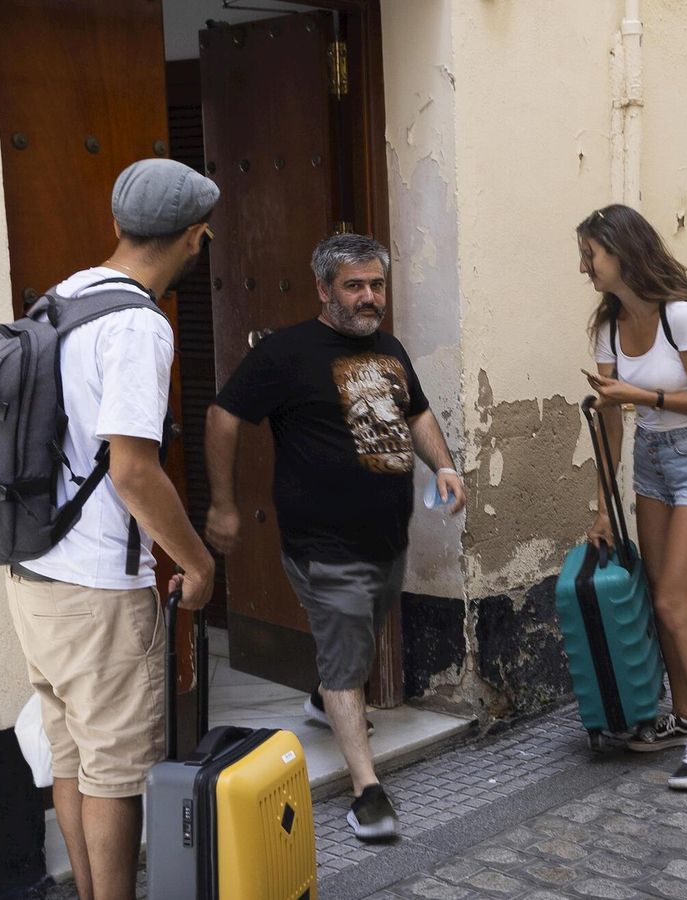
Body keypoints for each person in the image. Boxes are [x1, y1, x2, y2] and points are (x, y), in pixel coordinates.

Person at [204, 233, 466, 841]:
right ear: (325, 289)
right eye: (354, 285)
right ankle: (367, 792)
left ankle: (325, 701)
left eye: (376, 284)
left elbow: (417, 412)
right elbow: (223, 415)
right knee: (349, 651)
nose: (369, 297)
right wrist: (223, 503)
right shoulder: (286, 354)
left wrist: (444, 466)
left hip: (386, 539)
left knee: (360, 632)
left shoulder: (390, 348)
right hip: (323, 544)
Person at [5, 158, 218, 900]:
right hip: (97, 587)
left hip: (33, 573)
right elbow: (132, 468)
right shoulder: (136, 324)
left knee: (71, 761)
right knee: (117, 776)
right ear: (194, 239)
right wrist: (195, 561)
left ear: (118, 225)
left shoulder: (58, 300)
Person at [578, 204, 687, 790]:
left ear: (621, 252)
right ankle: (685, 716)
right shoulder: (606, 328)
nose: (585, 266)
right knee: (658, 595)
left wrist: (640, 393)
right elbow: (613, 421)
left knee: (674, 602)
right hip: (651, 462)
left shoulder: (683, 315)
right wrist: (602, 508)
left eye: (591, 254)